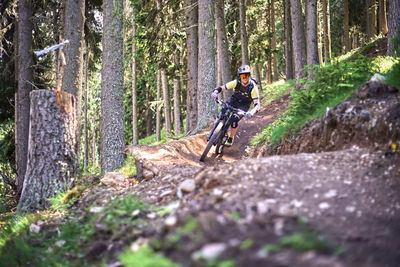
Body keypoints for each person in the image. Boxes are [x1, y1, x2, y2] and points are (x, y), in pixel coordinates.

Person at [210, 64, 260, 146]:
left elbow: (257, 105)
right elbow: (222, 87)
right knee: (223, 111)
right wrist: (215, 92)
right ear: (240, 76)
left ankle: (231, 138)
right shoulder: (236, 82)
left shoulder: (253, 87)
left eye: (246, 75)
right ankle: (216, 129)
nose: (245, 78)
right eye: (243, 76)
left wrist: (252, 112)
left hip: (244, 105)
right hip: (234, 100)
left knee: (234, 119)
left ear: (249, 76)